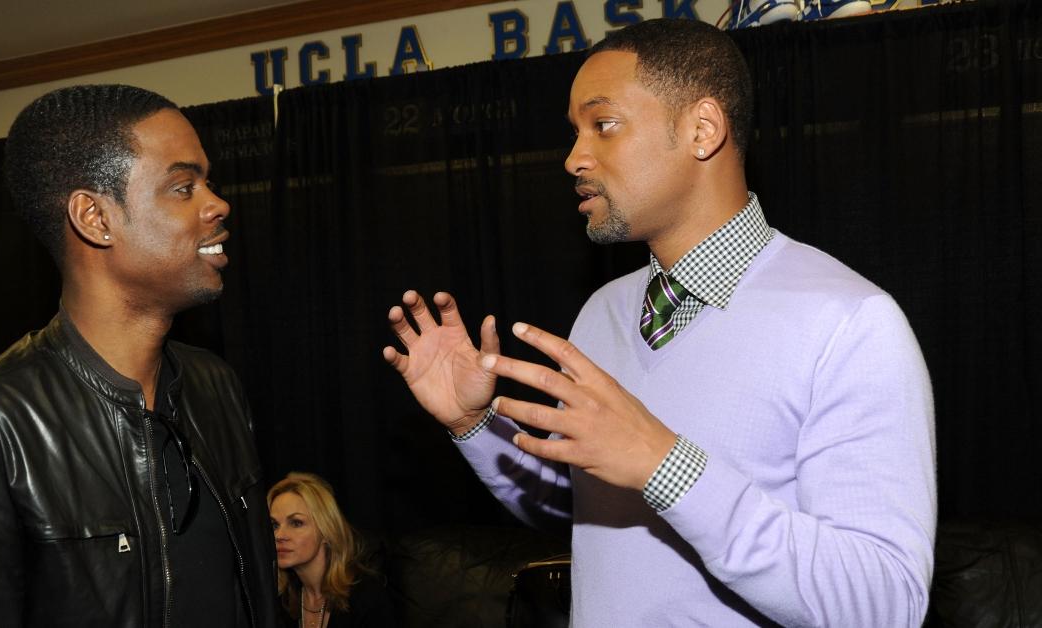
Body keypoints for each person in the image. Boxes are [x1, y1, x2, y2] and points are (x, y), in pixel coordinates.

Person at [383, 19, 935, 627]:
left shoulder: (850, 324)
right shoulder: (603, 313)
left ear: (702, 129)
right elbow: (587, 511)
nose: (573, 158)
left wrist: (664, 464)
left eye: (603, 125)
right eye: (574, 132)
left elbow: (886, 605)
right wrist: (474, 424)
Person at [0, 85, 279, 627]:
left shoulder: (213, 383)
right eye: (182, 187)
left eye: (207, 183)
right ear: (94, 217)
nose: (217, 204)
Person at [268, 472, 395, 628]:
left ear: (327, 531)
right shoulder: (280, 601)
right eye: (274, 525)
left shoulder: (366, 596)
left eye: (296, 523)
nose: (279, 535)